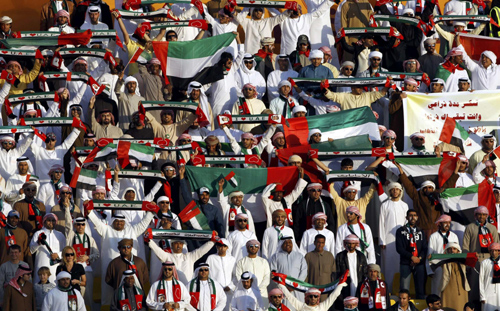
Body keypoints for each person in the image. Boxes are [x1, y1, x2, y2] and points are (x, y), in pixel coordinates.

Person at [146, 232, 217, 284]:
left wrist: (213, 241)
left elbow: (202, 250)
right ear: (172, 245)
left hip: (187, 289)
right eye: (176, 243)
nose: (178, 245)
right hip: (172, 288)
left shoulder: (189, 257)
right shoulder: (167, 257)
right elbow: (157, 250)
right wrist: (149, 241)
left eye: (180, 243)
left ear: (183, 245)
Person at [463, 206, 500, 303]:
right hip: (475, 260)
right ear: (475, 215)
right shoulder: (470, 227)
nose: (481, 217)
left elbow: (497, 245)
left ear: (487, 216)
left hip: (490, 260)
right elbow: (465, 247)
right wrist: (468, 262)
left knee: (489, 285)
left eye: (484, 215)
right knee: (475, 285)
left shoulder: (492, 228)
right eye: (479, 214)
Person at [393, 161, 441, 237]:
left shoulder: (439, 197)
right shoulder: (417, 197)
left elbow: (448, 185)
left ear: (433, 189)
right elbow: (408, 185)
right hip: (422, 230)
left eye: (430, 187)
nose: (427, 189)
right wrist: (401, 171)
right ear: (422, 189)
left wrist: (455, 171)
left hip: (437, 230)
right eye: (425, 188)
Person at [379, 182, 408, 291]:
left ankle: (401, 290)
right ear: (390, 191)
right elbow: (381, 223)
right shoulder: (385, 205)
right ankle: (388, 290)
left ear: (400, 191)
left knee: (400, 264)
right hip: (388, 240)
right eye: (393, 189)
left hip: (402, 240)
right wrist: (382, 241)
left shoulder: (404, 205)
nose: (395, 191)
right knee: (388, 265)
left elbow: (406, 223)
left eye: (397, 189)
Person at [105, 238, 149, 305]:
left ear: (131, 248)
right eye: (124, 247)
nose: (126, 249)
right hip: (121, 295)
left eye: (128, 247)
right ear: (119, 248)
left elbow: (145, 278)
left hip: (138, 294)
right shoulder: (114, 263)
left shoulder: (139, 261)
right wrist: (118, 285)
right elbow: (108, 279)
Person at [396, 209, 427, 299]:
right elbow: (399, 248)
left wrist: (419, 258)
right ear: (406, 217)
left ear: (417, 217)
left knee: (421, 290)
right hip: (406, 263)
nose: (413, 217)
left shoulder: (421, 231)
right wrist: (412, 257)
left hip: (419, 264)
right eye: (410, 215)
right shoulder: (400, 231)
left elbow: (425, 248)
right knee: (404, 290)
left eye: (415, 215)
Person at [426, 214, 460, 295]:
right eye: (445, 222)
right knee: (437, 289)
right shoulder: (433, 237)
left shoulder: (454, 236)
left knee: (450, 291)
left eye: (448, 222)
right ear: (439, 224)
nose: (447, 224)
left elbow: (458, 251)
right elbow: (429, 254)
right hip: (438, 267)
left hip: (451, 267)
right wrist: (430, 270)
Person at [269, 236, 308, 306]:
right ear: (281, 244)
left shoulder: (299, 256)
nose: (288, 244)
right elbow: (273, 273)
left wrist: (295, 285)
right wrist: (284, 286)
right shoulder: (275, 257)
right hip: (283, 289)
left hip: (297, 289)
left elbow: (304, 271)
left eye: (289, 242)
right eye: (285, 242)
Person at [29, 213, 65, 284]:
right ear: (44, 222)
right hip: (41, 265)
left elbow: (65, 251)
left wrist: (58, 255)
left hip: (55, 266)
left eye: (53, 220)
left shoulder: (60, 235)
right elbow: (31, 250)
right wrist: (38, 243)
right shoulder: (38, 233)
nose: (51, 222)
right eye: (49, 220)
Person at [439, 242, 470, 311]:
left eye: (454, 249)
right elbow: (435, 260)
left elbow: (470, 260)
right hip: (447, 286)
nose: (452, 251)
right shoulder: (444, 261)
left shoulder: (462, 261)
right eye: (449, 249)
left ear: (458, 251)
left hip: (462, 287)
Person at [277, 281, 347, 311]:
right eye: (311, 296)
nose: (313, 298)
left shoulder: (322, 307)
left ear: (318, 298)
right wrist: (279, 283)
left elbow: (333, 296)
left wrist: (341, 284)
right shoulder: (302, 307)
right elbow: (290, 297)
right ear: (307, 298)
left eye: (315, 296)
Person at [206, 239, 236, 308]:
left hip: (229, 291)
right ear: (217, 246)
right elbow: (207, 274)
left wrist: (230, 286)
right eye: (220, 246)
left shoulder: (232, 259)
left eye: (224, 246)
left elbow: (235, 275)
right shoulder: (211, 258)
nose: (222, 248)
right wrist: (216, 287)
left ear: (227, 247)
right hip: (216, 291)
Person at [305, 234, 336, 301]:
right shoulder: (308, 256)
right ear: (315, 243)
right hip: (312, 290)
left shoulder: (329, 256)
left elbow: (333, 273)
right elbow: (305, 274)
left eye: (322, 243)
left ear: (324, 243)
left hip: (326, 290)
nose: (320, 245)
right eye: (318, 242)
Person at [479, 242, 500, 311]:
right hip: (488, 292)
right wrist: (482, 296)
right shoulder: (484, 263)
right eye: (492, 251)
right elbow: (481, 280)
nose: (494, 253)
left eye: (496, 250)